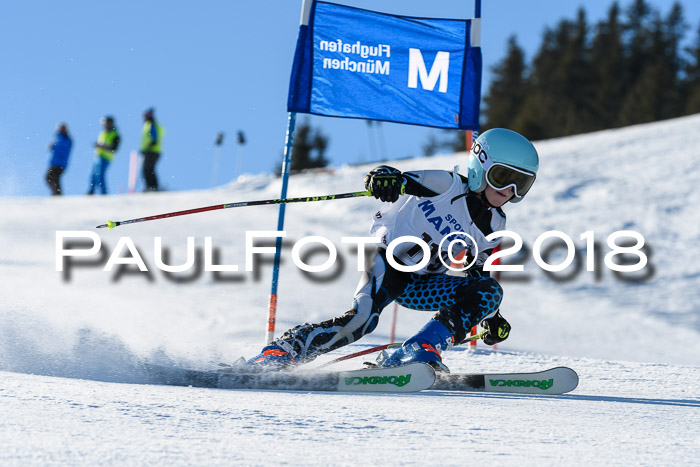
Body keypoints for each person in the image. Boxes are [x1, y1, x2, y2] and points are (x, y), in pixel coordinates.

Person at [247, 128, 540, 371]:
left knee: (489, 291)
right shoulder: (446, 185)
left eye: (521, 184)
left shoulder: (494, 224)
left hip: (422, 284)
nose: (509, 191)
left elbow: (477, 271)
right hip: (387, 260)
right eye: (503, 177)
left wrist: (489, 316)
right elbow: (401, 178)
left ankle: (416, 351)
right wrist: (384, 178)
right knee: (362, 321)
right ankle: (282, 352)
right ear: (481, 166)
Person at [88, 116, 120, 195]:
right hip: (98, 156)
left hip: (106, 158)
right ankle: (91, 191)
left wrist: (102, 146)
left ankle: (104, 193)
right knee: (93, 175)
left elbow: (114, 148)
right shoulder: (103, 132)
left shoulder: (115, 134)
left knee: (100, 175)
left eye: (105, 123)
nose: (104, 125)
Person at [140, 108, 164, 191]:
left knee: (147, 169)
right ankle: (152, 187)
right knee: (150, 169)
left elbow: (154, 138)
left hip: (151, 151)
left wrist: (149, 146)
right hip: (154, 151)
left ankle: (152, 187)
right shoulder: (152, 124)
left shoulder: (151, 124)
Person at [46, 123, 72, 195]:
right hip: (56, 162)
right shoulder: (59, 137)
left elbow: (61, 150)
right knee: (52, 178)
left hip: (59, 163)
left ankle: (57, 193)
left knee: (52, 177)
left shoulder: (66, 139)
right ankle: (56, 193)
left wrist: (53, 147)